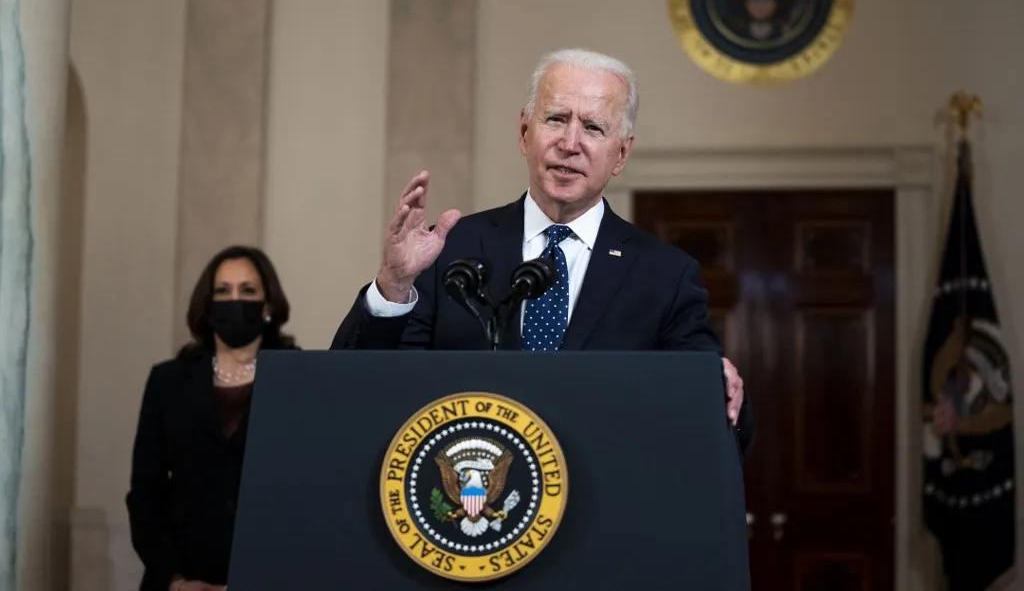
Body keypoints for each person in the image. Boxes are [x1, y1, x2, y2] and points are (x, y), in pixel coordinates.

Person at [331, 47, 752, 451]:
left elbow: (721, 425)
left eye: (593, 127)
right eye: (555, 119)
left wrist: (717, 386)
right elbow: (355, 393)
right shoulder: (450, 247)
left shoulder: (664, 275)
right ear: (524, 133)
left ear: (621, 154)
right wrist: (393, 285)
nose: (570, 143)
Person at [126, 246, 299, 591]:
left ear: (267, 305)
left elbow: (307, 493)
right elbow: (146, 494)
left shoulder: (296, 379)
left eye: (247, 290)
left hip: (270, 577)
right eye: (223, 291)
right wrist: (175, 580)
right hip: (181, 578)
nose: (235, 300)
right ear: (207, 304)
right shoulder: (168, 382)